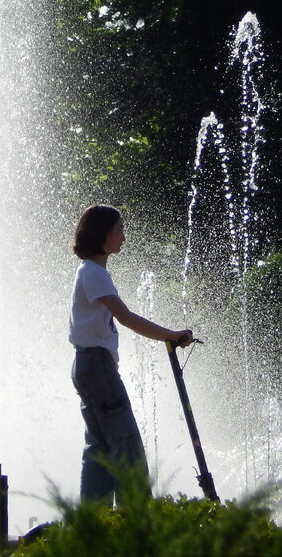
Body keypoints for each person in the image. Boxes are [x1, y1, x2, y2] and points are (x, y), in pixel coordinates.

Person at [67, 204, 193, 504]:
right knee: (126, 444)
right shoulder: (94, 273)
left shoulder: (89, 271)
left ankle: (94, 524)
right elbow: (127, 318)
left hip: (87, 364)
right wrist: (172, 335)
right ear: (103, 233)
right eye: (119, 229)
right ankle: (135, 522)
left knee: (99, 447)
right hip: (97, 366)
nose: (124, 236)